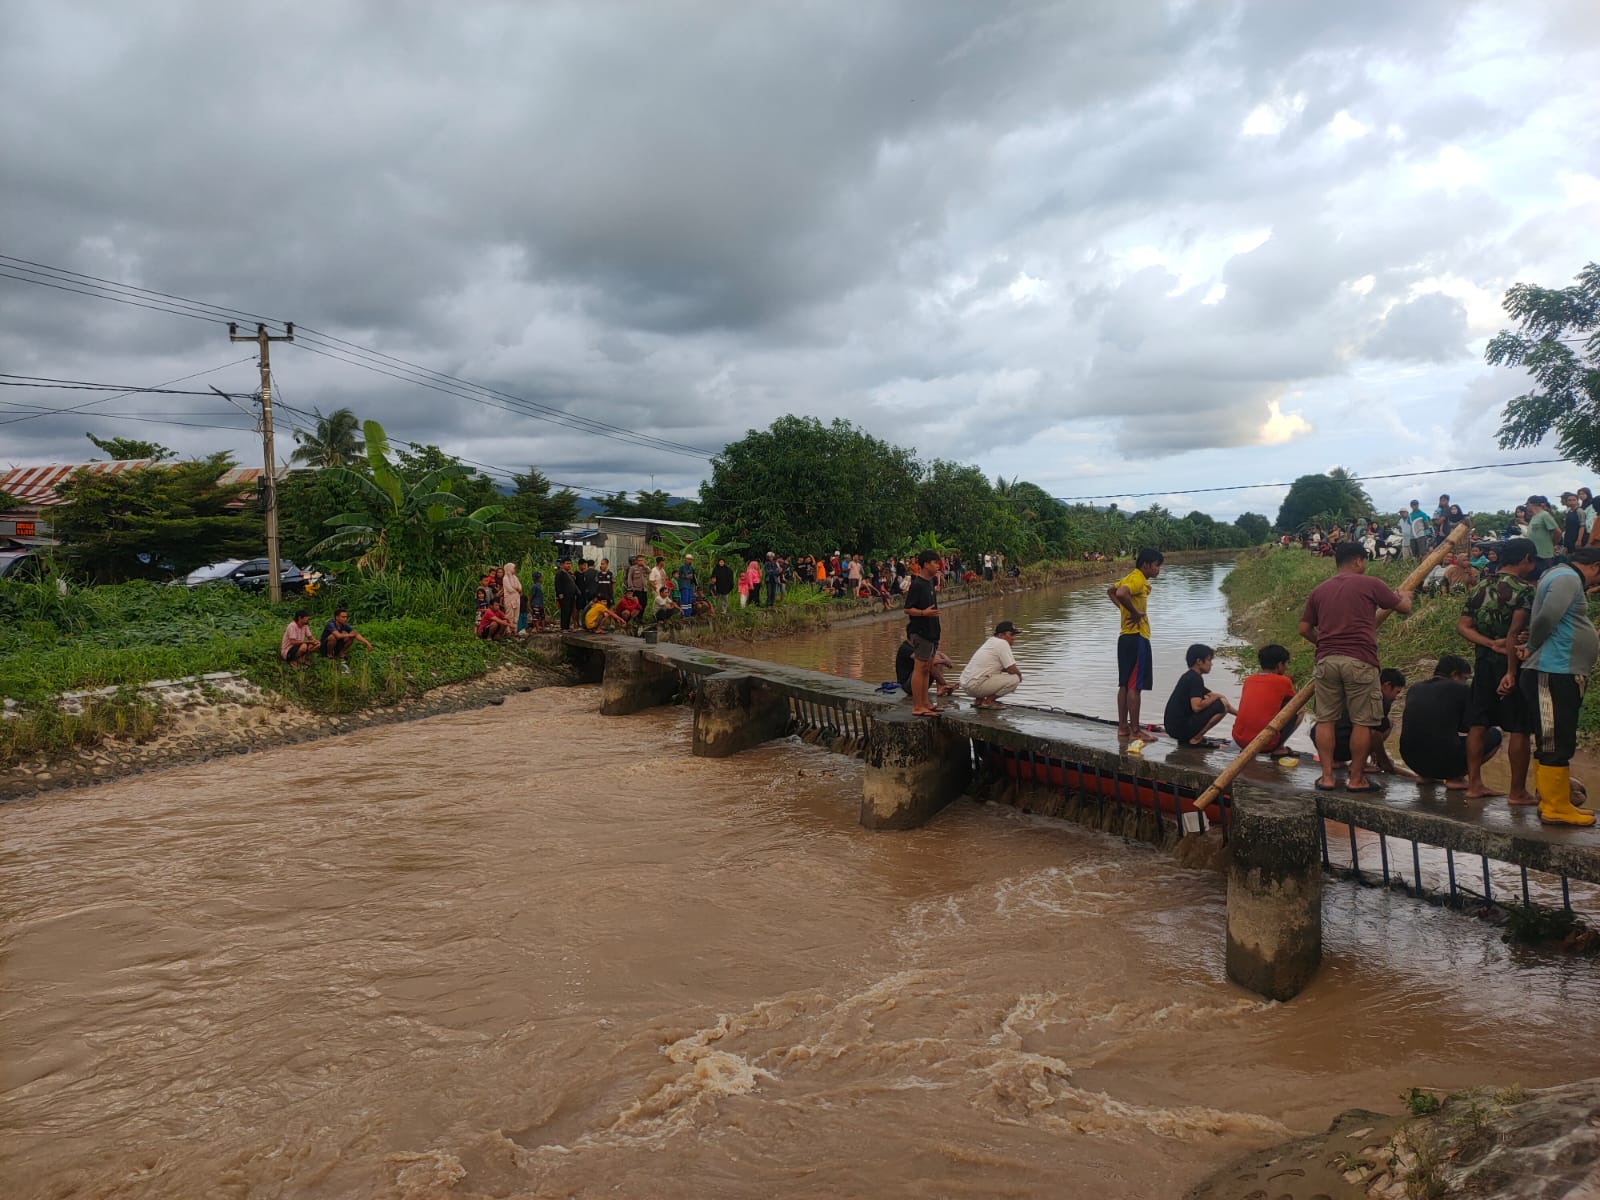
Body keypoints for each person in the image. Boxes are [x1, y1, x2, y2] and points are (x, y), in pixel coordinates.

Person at [1299, 541, 1413, 792]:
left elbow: (1304, 629)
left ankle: (1327, 777)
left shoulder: (1319, 590)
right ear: (1359, 561)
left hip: (1326, 662)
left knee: (1325, 720)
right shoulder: (1371, 583)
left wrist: (1325, 643)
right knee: (1363, 722)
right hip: (1360, 661)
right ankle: (1356, 779)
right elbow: (1403, 608)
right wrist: (1406, 595)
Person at [1519, 546, 1600, 827]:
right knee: (1555, 739)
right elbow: (1546, 617)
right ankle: (1555, 806)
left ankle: (1554, 801)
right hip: (1553, 670)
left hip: (1560, 672)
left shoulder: (1560, 575)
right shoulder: (1567, 578)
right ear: (1596, 566)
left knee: (1555, 737)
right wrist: (1531, 646)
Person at [1457, 538, 1537, 805]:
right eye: (1532, 561)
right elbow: (1516, 632)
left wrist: (1489, 643)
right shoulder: (1525, 590)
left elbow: (1464, 627)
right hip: (1514, 664)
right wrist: (1511, 665)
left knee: (1478, 723)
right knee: (1519, 727)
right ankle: (1517, 792)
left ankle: (1474, 784)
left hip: (1483, 663)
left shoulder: (1481, 585)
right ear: (1525, 558)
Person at [1399, 656, 1497, 789]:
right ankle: (1455, 777)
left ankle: (1425, 776)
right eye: (1465, 678)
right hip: (1445, 762)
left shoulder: (1415, 688)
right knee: (1494, 734)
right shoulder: (1461, 689)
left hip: (1411, 761)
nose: (1465, 682)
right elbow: (1471, 726)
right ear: (1454, 675)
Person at [1108, 548, 1164, 739]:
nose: (1159, 570)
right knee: (1134, 686)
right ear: (1146, 565)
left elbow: (1111, 591)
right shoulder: (1138, 579)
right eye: (1157, 565)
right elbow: (1122, 593)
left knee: (1123, 684)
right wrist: (1133, 612)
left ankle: (1123, 728)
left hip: (1124, 637)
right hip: (1137, 637)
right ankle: (1135, 731)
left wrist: (1124, 610)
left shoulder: (1131, 577)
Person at [1330, 669, 1405, 774]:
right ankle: (1360, 764)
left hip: (1325, 746)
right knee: (1389, 723)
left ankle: (1333, 760)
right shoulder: (1381, 700)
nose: (1396, 697)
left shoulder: (1357, 690)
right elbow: (1374, 734)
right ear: (1387, 685)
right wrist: (1385, 762)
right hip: (1345, 748)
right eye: (1397, 692)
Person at [1231, 643, 1301, 755]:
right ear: (1279, 665)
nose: (1287, 667)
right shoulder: (1283, 681)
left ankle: (1253, 745)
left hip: (1239, 739)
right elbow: (1296, 703)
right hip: (1264, 743)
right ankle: (1279, 748)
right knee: (1299, 712)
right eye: (1286, 663)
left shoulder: (1249, 680)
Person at [1163, 643, 1236, 748]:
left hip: (1173, 728)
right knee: (1221, 705)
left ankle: (1192, 737)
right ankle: (1195, 739)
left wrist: (1240, 715)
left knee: (1220, 702)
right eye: (1209, 660)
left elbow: (1215, 697)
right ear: (1199, 662)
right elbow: (1197, 707)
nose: (1211, 664)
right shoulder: (1195, 679)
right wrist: (1217, 697)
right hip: (1179, 728)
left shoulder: (1189, 676)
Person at [904, 549, 944, 717]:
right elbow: (907, 609)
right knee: (919, 668)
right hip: (921, 632)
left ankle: (925, 702)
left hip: (931, 632)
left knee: (927, 668)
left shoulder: (929, 582)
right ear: (926, 564)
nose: (938, 566)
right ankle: (917, 706)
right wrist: (923, 614)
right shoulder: (918, 584)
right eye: (935, 563)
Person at [959, 621, 1024, 710]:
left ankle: (979, 700)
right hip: (975, 686)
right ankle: (988, 701)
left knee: (996, 673)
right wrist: (1020, 676)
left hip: (966, 685)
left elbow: (993, 667)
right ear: (1001, 635)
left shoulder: (991, 642)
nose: (1013, 638)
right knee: (1015, 679)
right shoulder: (1002, 643)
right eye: (1011, 634)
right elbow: (1011, 669)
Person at [1525, 495, 1561, 577]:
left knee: (1545, 576)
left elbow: (1557, 532)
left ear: (1530, 504)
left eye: (1527, 505)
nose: (1527, 508)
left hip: (1545, 555)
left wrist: (1552, 544)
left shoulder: (1544, 515)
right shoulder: (1534, 517)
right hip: (1535, 555)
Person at [554, 558, 579, 631]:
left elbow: (573, 582)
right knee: (565, 611)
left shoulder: (568, 573)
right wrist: (560, 594)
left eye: (570, 563)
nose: (569, 565)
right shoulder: (560, 573)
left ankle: (567, 627)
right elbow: (558, 585)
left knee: (569, 611)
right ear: (562, 565)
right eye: (567, 563)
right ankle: (564, 627)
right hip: (564, 596)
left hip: (571, 595)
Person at [500, 561, 523, 633]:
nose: (515, 570)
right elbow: (509, 589)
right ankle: (508, 630)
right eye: (514, 568)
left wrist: (517, 589)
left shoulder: (515, 577)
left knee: (516, 614)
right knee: (510, 614)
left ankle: (514, 630)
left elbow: (520, 586)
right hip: (509, 599)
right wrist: (517, 589)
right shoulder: (505, 578)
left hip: (516, 598)